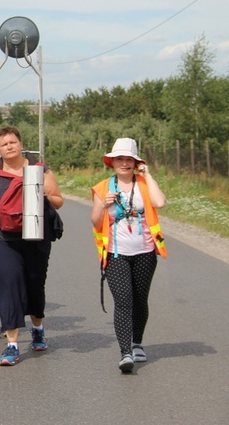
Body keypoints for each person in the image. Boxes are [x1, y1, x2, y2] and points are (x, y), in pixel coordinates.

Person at [0, 126, 64, 366]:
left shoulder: (40, 171)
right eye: (4, 144)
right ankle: (12, 344)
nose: (9, 146)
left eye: (13, 142)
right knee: (9, 283)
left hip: (36, 236)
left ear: (20, 144)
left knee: (34, 283)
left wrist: (40, 194)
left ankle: (37, 328)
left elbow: (58, 201)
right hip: (2, 238)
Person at [91, 138, 167, 373]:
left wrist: (148, 174)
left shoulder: (144, 184)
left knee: (139, 300)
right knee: (123, 301)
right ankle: (125, 352)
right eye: (120, 159)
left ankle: (137, 343)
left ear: (136, 163)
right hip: (115, 254)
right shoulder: (103, 187)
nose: (124, 163)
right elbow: (95, 221)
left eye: (129, 159)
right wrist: (103, 205)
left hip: (145, 251)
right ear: (112, 162)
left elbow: (160, 202)